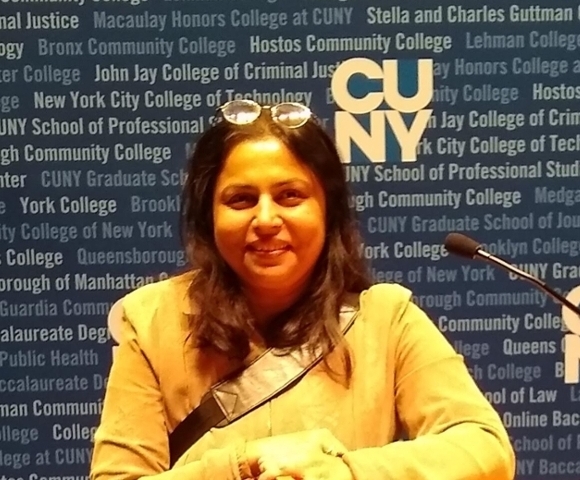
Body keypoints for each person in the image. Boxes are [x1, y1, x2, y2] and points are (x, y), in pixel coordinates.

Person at [90, 99, 515, 480]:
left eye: (290, 196)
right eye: (241, 200)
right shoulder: (151, 319)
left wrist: (345, 471)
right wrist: (241, 464)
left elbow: (485, 447)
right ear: (209, 216)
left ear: (327, 209)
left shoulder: (387, 318)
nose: (266, 219)